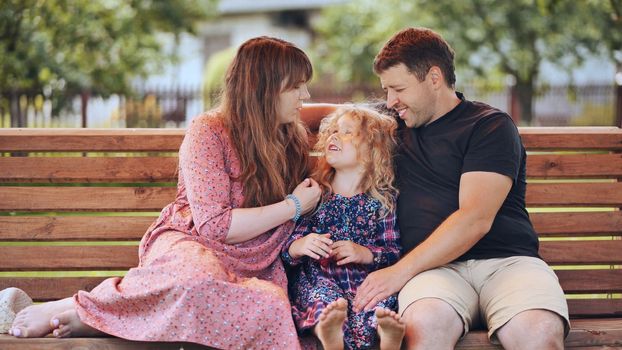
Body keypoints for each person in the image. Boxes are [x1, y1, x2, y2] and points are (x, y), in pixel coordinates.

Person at [9, 36, 322, 349]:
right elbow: (215, 227)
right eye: (295, 86)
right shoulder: (209, 131)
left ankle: (97, 315)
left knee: (269, 304)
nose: (304, 95)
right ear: (263, 89)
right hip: (192, 243)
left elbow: (344, 116)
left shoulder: (290, 135)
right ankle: (85, 309)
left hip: (258, 257)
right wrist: (292, 206)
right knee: (194, 280)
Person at [347, 27, 570, 349]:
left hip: (507, 263)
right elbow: (333, 115)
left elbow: (475, 219)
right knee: (422, 328)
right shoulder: (390, 122)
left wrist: (397, 273)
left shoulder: (488, 126)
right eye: (386, 91)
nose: (390, 101)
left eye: (398, 88)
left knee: (538, 333)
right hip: (434, 270)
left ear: (434, 78)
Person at [282, 106, 405, 350]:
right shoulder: (315, 193)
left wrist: (366, 253)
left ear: (372, 151)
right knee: (322, 301)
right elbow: (287, 245)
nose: (334, 136)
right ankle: (329, 334)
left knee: (379, 303)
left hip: (363, 281)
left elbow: (393, 250)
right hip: (320, 277)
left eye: (348, 132)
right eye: (333, 131)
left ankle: (385, 335)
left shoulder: (382, 201)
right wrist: (301, 245)